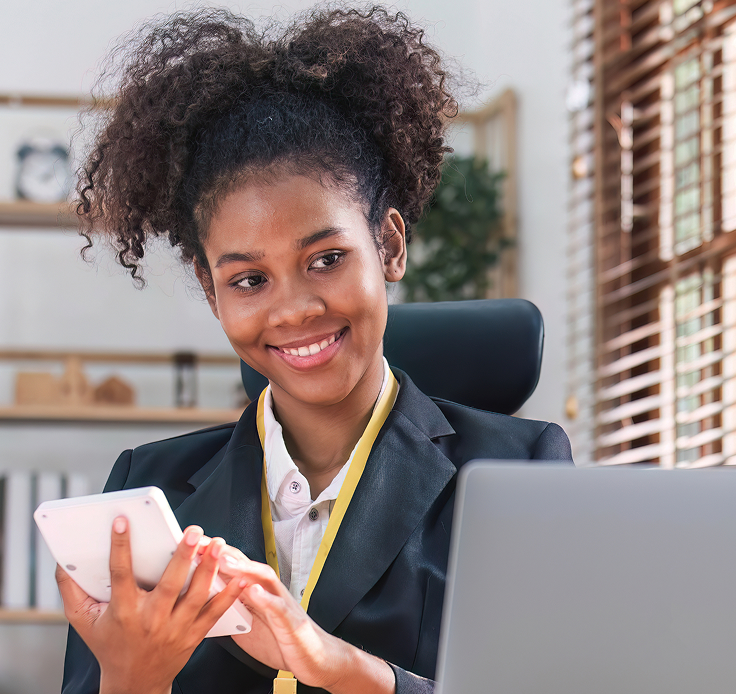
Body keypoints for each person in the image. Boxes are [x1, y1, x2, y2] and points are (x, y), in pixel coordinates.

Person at [56, 7, 573, 693]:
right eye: (248, 280)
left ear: (387, 245)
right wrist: (130, 679)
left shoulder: (516, 472)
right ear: (214, 296)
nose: (295, 308)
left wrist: (342, 667)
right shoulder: (145, 491)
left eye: (326, 258)